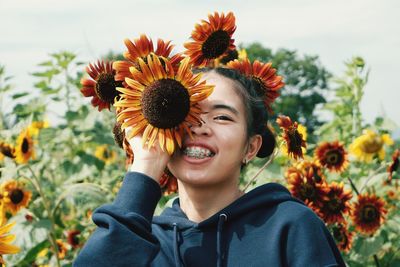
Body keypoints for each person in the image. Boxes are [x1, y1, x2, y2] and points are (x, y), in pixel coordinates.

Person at [74, 67, 346, 267]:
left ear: (250, 147)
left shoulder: (288, 227)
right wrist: (145, 165)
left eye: (222, 116)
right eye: (188, 113)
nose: (200, 127)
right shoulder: (143, 241)